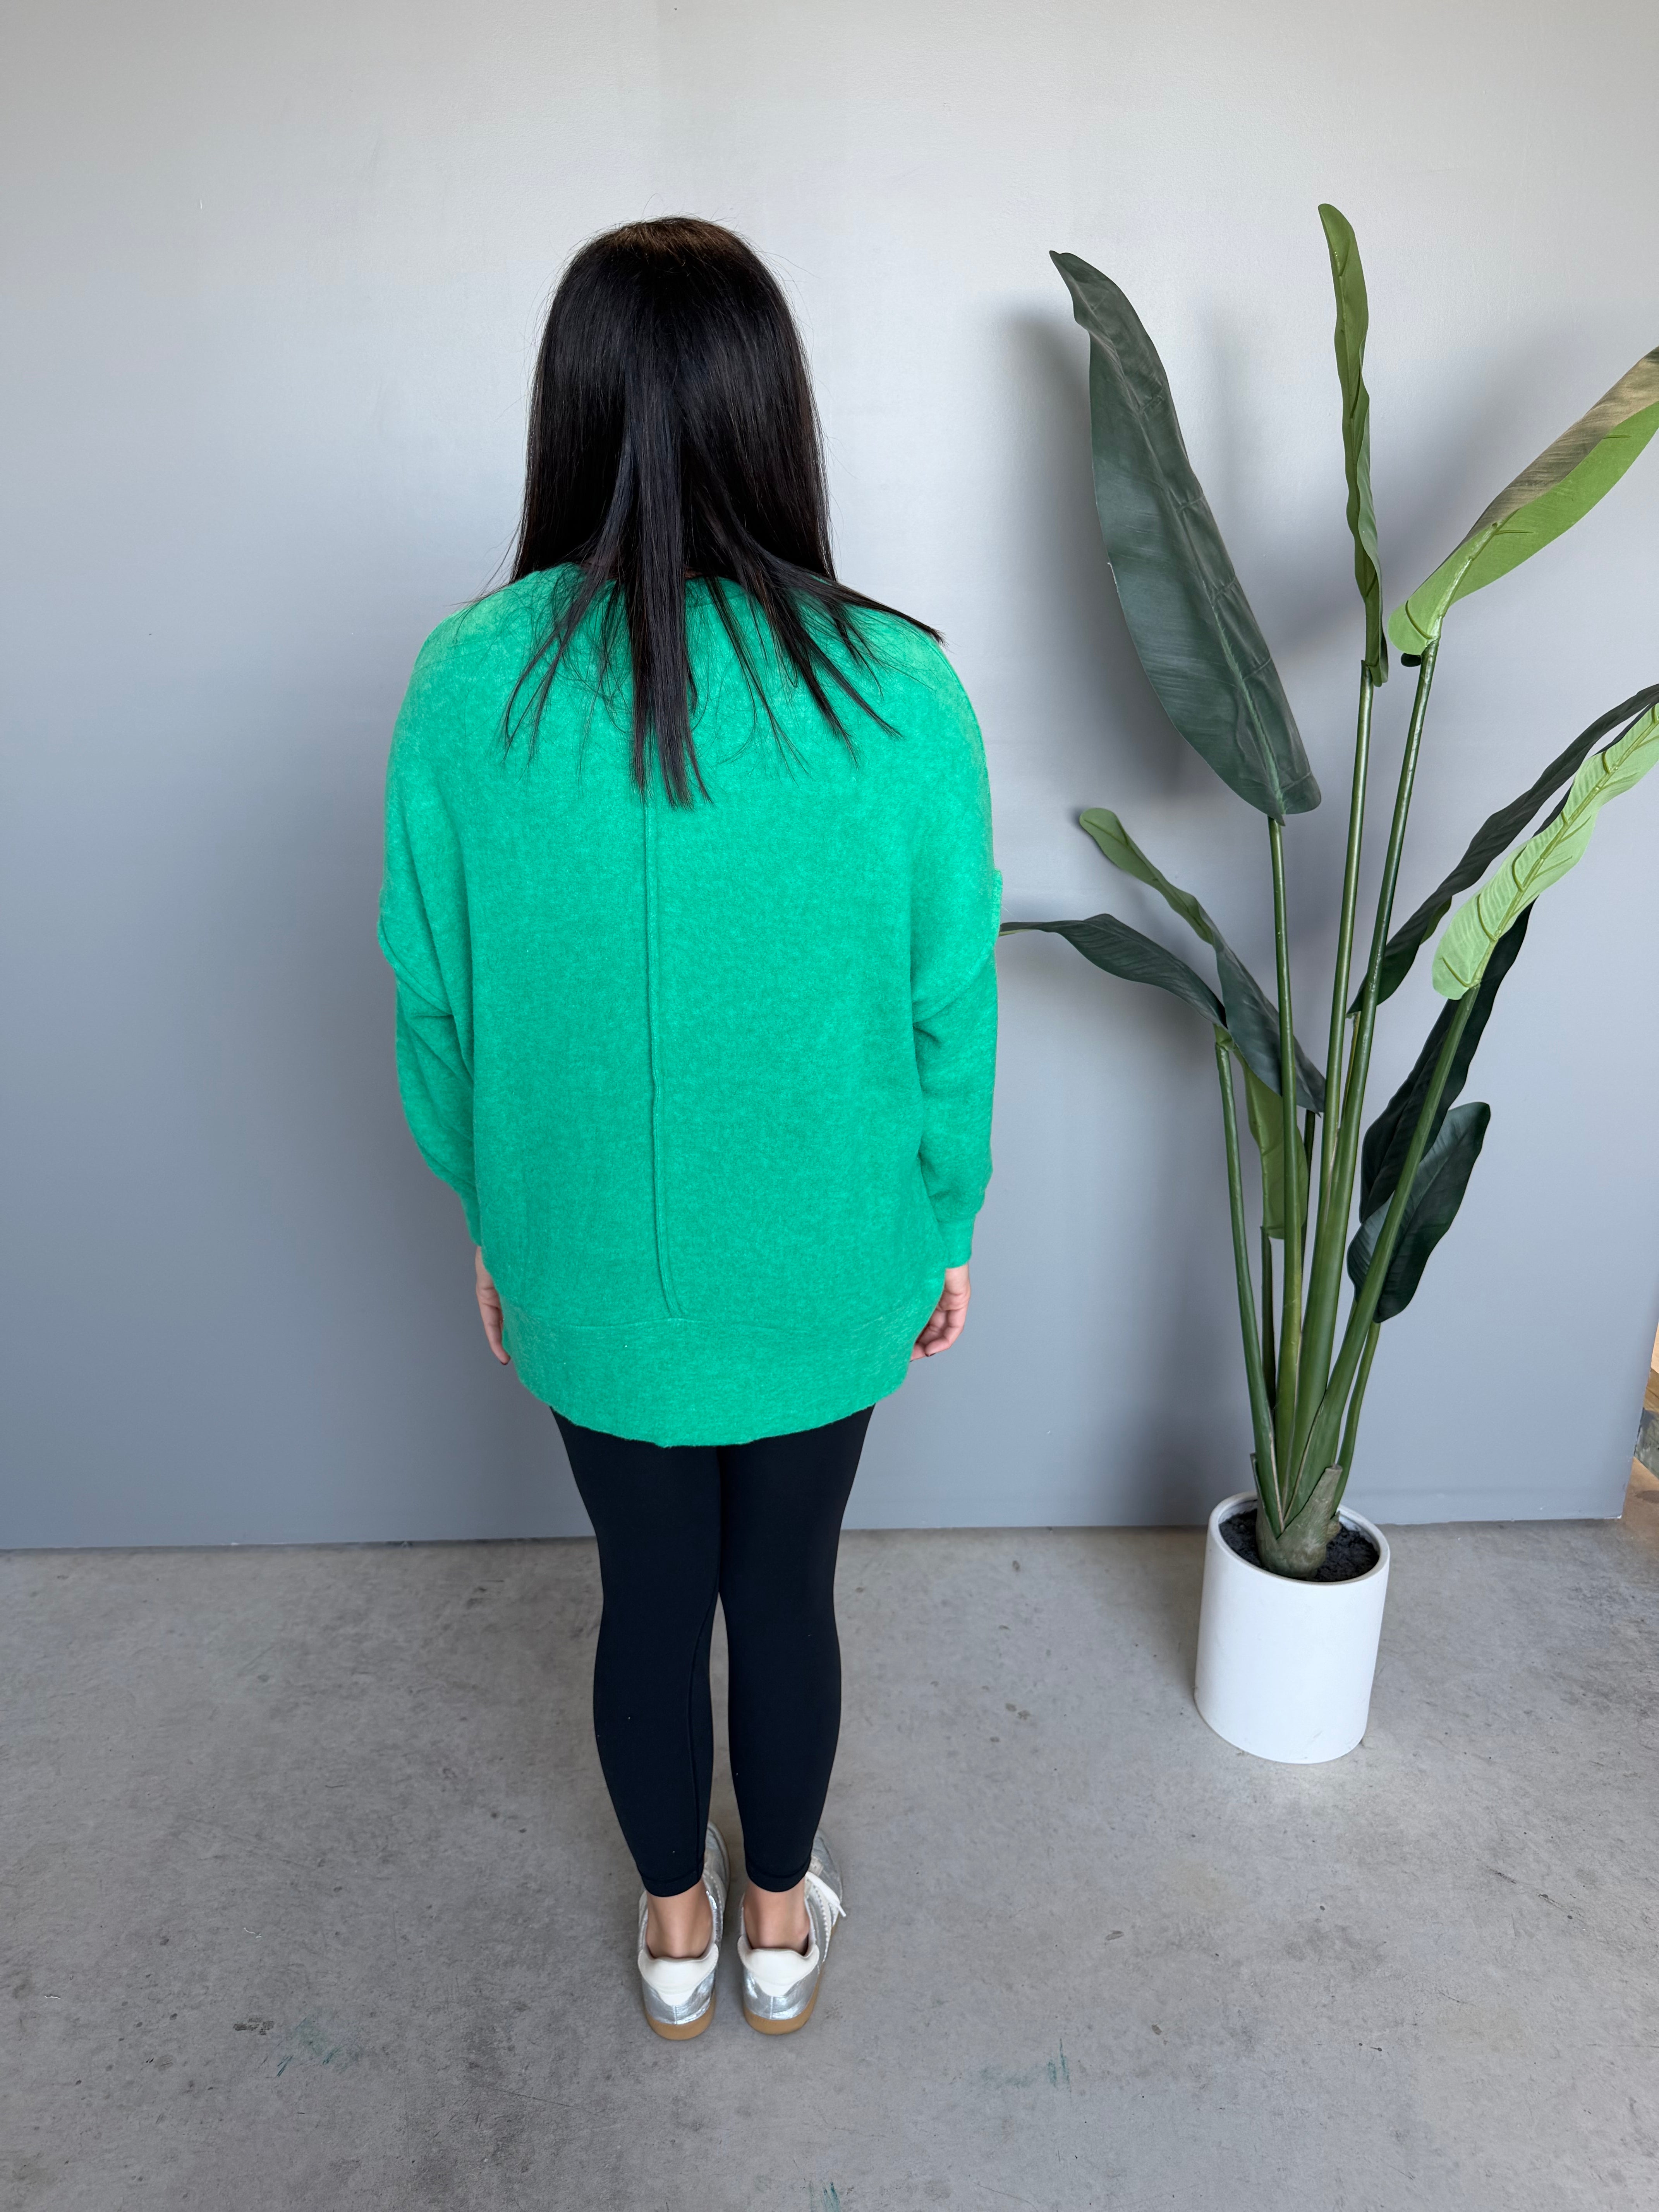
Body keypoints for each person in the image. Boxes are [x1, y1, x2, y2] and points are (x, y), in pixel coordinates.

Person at [378, 218, 999, 2039]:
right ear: (775, 415)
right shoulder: (903, 694)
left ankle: (675, 1940)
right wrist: (944, 1218)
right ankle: (781, 1931)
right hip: (833, 1258)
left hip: (583, 1264)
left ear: (568, 412)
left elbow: (436, 1002)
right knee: (786, 1593)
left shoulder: (465, 689)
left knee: (646, 1598)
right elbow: (948, 1010)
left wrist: (495, 1215)